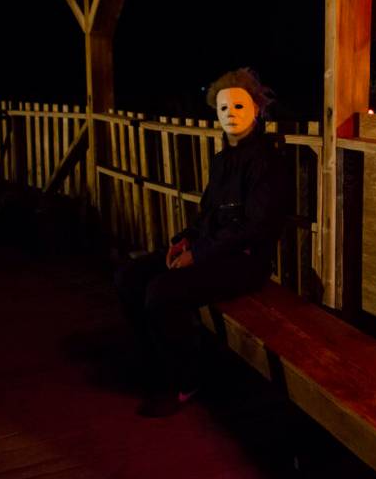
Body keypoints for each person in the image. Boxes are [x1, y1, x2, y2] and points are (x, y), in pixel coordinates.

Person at [114, 68, 287, 417]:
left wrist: (199, 254)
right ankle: (154, 361)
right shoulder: (222, 160)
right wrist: (185, 240)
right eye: (223, 108)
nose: (231, 115)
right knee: (130, 276)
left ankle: (186, 379)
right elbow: (208, 213)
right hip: (209, 249)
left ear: (257, 109)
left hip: (244, 261)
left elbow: (254, 226)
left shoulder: (267, 161)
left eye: (239, 106)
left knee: (162, 292)